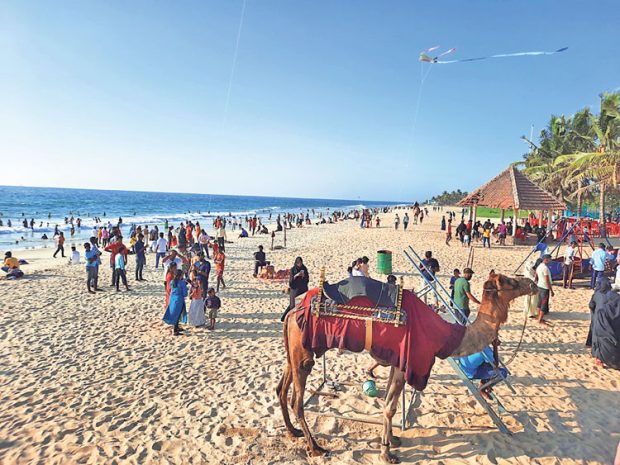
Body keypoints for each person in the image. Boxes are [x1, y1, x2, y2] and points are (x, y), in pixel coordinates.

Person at [281, 257, 309, 321]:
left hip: (302, 288)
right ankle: (285, 317)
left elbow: (307, 279)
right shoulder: (293, 269)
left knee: (302, 303)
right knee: (293, 305)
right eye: (298, 263)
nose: (300, 264)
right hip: (295, 288)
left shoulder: (304, 268)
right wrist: (296, 276)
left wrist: (303, 276)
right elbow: (291, 281)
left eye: (301, 263)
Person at [586, 276, 612, 347]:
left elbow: (591, 305)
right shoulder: (610, 295)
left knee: (593, 327)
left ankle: (590, 343)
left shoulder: (596, 294)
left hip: (596, 316)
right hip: (607, 318)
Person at [162, 269, 188, 336]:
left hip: (173, 298)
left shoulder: (172, 282)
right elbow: (185, 294)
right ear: (180, 275)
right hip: (179, 300)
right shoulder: (182, 283)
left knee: (174, 313)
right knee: (178, 314)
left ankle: (176, 327)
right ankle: (175, 330)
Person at [535, 254, 554, 325]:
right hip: (544, 287)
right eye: (550, 259)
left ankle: (538, 317)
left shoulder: (539, 266)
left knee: (539, 303)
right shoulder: (545, 268)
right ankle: (540, 320)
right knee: (544, 304)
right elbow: (547, 280)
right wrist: (551, 290)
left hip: (539, 286)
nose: (551, 261)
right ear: (546, 259)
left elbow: (536, 276)